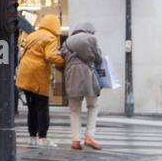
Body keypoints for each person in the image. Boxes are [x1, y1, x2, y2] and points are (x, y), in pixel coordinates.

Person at [16, 13, 65, 146]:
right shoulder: (51, 38)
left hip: (25, 72)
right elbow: (50, 56)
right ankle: (42, 137)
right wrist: (64, 62)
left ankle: (32, 137)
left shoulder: (33, 35)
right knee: (42, 107)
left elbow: (22, 51)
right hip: (38, 74)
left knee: (31, 107)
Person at [62, 22, 104, 151]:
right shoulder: (91, 39)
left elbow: (62, 57)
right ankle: (89, 136)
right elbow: (98, 59)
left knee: (74, 109)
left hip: (71, 76)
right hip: (88, 75)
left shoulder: (67, 42)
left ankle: (75, 140)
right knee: (93, 105)